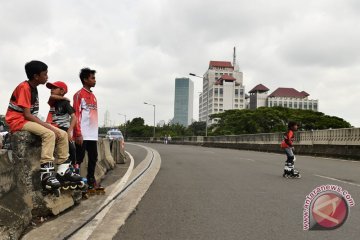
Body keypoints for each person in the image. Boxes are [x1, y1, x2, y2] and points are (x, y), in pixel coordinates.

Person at [5, 61, 75, 193]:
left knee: (63, 134)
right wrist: (50, 127)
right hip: (18, 121)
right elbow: (27, 115)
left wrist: (49, 126)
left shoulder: (33, 87)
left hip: (27, 119)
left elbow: (32, 115)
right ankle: (46, 174)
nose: (47, 76)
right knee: (49, 134)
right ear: (36, 76)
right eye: (45, 74)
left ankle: (63, 170)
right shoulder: (24, 87)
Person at [45, 81, 84, 188]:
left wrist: (69, 131)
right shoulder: (53, 102)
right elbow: (52, 96)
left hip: (64, 129)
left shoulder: (65, 104)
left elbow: (74, 117)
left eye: (54, 88)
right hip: (54, 128)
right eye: (51, 88)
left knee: (72, 149)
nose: (51, 90)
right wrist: (63, 97)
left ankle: (73, 169)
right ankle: (62, 171)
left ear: (62, 91)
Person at [73, 68, 99, 189]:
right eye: (92, 78)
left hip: (92, 135)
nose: (94, 80)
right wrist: (78, 133)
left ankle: (91, 180)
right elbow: (76, 115)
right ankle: (75, 180)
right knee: (79, 158)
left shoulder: (93, 97)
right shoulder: (79, 95)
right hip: (82, 134)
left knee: (93, 157)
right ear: (85, 80)